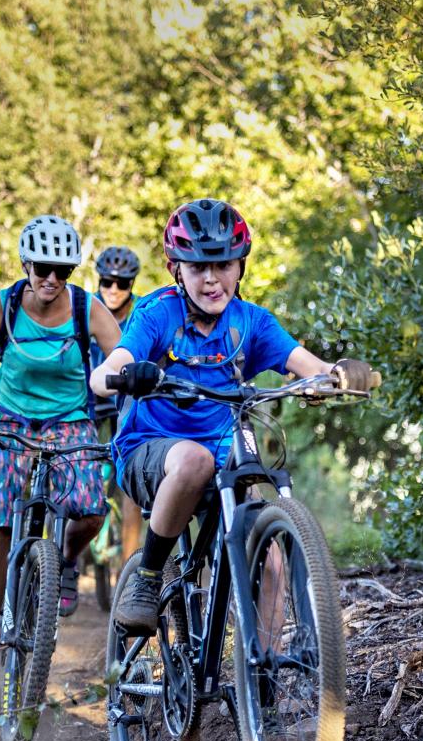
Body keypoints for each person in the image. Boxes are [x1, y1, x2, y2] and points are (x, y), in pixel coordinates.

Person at [89, 199, 375, 636]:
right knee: (194, 460)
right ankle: (147, 577)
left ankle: (263, 684)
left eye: (223, 265)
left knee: (273, 562)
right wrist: (121, 374)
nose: (211, 279)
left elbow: (306, 363)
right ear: (174, 269)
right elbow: (114, 364)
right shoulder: (157, 312)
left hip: (225, 459)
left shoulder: (252, 323)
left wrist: (338, 374)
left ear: (240, 266)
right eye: (197, 266)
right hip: (151, 452)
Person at [0, 215, 123, 662]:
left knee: (92, 510)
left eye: (64, 271)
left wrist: (132, 398)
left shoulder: (86, 308)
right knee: (0, 513)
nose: (52, 279)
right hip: (8, 417)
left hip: (70, 419)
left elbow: (122, 357)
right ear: (27, 264)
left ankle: (63, 560)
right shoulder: (2, 307)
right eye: (43, 268)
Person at [90, 246, 144, 563]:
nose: (113, 289)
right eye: (107, 281)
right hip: (90, 399)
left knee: (129, 481)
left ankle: (129, 564)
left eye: (121, 283)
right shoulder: (86, 307)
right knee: (87, 468)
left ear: (131, 285)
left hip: (126, 400)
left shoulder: (141, 313)